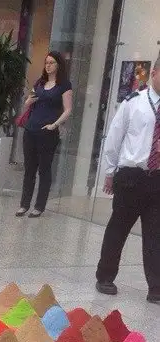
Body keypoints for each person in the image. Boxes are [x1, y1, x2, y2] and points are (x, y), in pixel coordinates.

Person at [96, 56, 160, 304]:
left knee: (155, 234)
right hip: (131, 176)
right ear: (153, 73)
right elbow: (115, 136)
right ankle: (105, 276)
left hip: (157, 178)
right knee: (118, 228)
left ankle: (156, 287)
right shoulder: (133, 102)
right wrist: (109, 171)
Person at [16, 52, 73, 218]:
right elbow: (27, 103)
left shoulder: (64, 85)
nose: (48, 66)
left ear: (58, 65)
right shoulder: (40, 82)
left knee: (44, 170)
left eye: (52, 63)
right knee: (29, 169)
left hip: (47, 132)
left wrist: (54, 125)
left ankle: (39, 206)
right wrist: (30, 100)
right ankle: (24, 204)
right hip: (31, 130)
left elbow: (68, 110)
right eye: (46, 62)